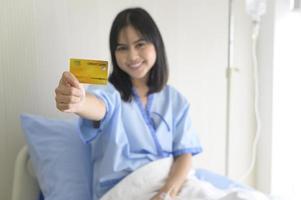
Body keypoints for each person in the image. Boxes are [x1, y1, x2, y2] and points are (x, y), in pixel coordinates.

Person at [55, 7, 202, 200]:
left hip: (170, 183)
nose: (132, 56)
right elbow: (99, 106)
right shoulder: (109, 91)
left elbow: (184, 155)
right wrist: (80, 101)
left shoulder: (176, 101)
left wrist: (166, 193)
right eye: (122, 48)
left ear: (156, 44)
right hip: (126, 189)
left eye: (140, 44)